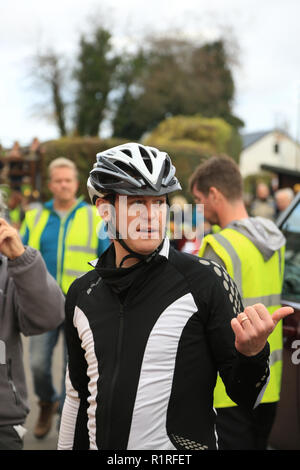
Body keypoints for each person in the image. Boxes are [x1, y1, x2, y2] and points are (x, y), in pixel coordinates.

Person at [57, 143, 293, 450]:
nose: (152, 215)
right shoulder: (82, 293)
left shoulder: (207, 280)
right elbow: (77, 396)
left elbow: (247, 396)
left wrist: (252, 353)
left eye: (158, 202)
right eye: (137, 202)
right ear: (105, 209)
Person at [189, 155, 286, 450]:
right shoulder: (275, 237)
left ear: (215, 194)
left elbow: (198, 322)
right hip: (270, 380)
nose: (199, 209)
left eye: (198, 199)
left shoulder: (217, 247)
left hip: (228, 387)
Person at [20, 157, 110, 440]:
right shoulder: (35, 217)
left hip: (80, 307)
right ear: (50, 185)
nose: (63, 185)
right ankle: (46, 403)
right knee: (36, 363)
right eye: (57, 180)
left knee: (71, 370)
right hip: (41, 305)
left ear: (76, 184)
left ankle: (64, 424)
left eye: (68, 180)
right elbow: (19, 255)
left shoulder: (93, 216)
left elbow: (106, 260)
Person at [0, 192, 65, 450]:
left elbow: (48, 317)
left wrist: (21, 258)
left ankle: (53, 407)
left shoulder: (8, 268)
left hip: (2, 419)